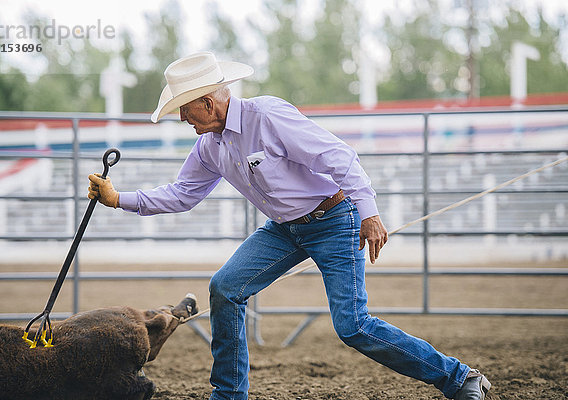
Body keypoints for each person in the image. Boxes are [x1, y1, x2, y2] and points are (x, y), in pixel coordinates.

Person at [88, 51, 491, 400]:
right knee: (225, 288)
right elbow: (182, 194)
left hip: (335, 220)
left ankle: (460, 377)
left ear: (208, 103)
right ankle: (228, 394)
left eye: (184, 108)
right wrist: (118, 198)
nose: (181, 117)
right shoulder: (209, 147)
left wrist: (368, 212)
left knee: (352, 326)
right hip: (285, 229)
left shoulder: (268, 116)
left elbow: (339, 157)